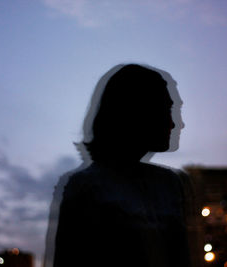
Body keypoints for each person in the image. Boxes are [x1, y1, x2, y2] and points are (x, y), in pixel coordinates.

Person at [47, 64, 194, 267]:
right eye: (166, 109)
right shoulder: (86, 188)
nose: (176, 123)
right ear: (137, 111)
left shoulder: (170, 184)